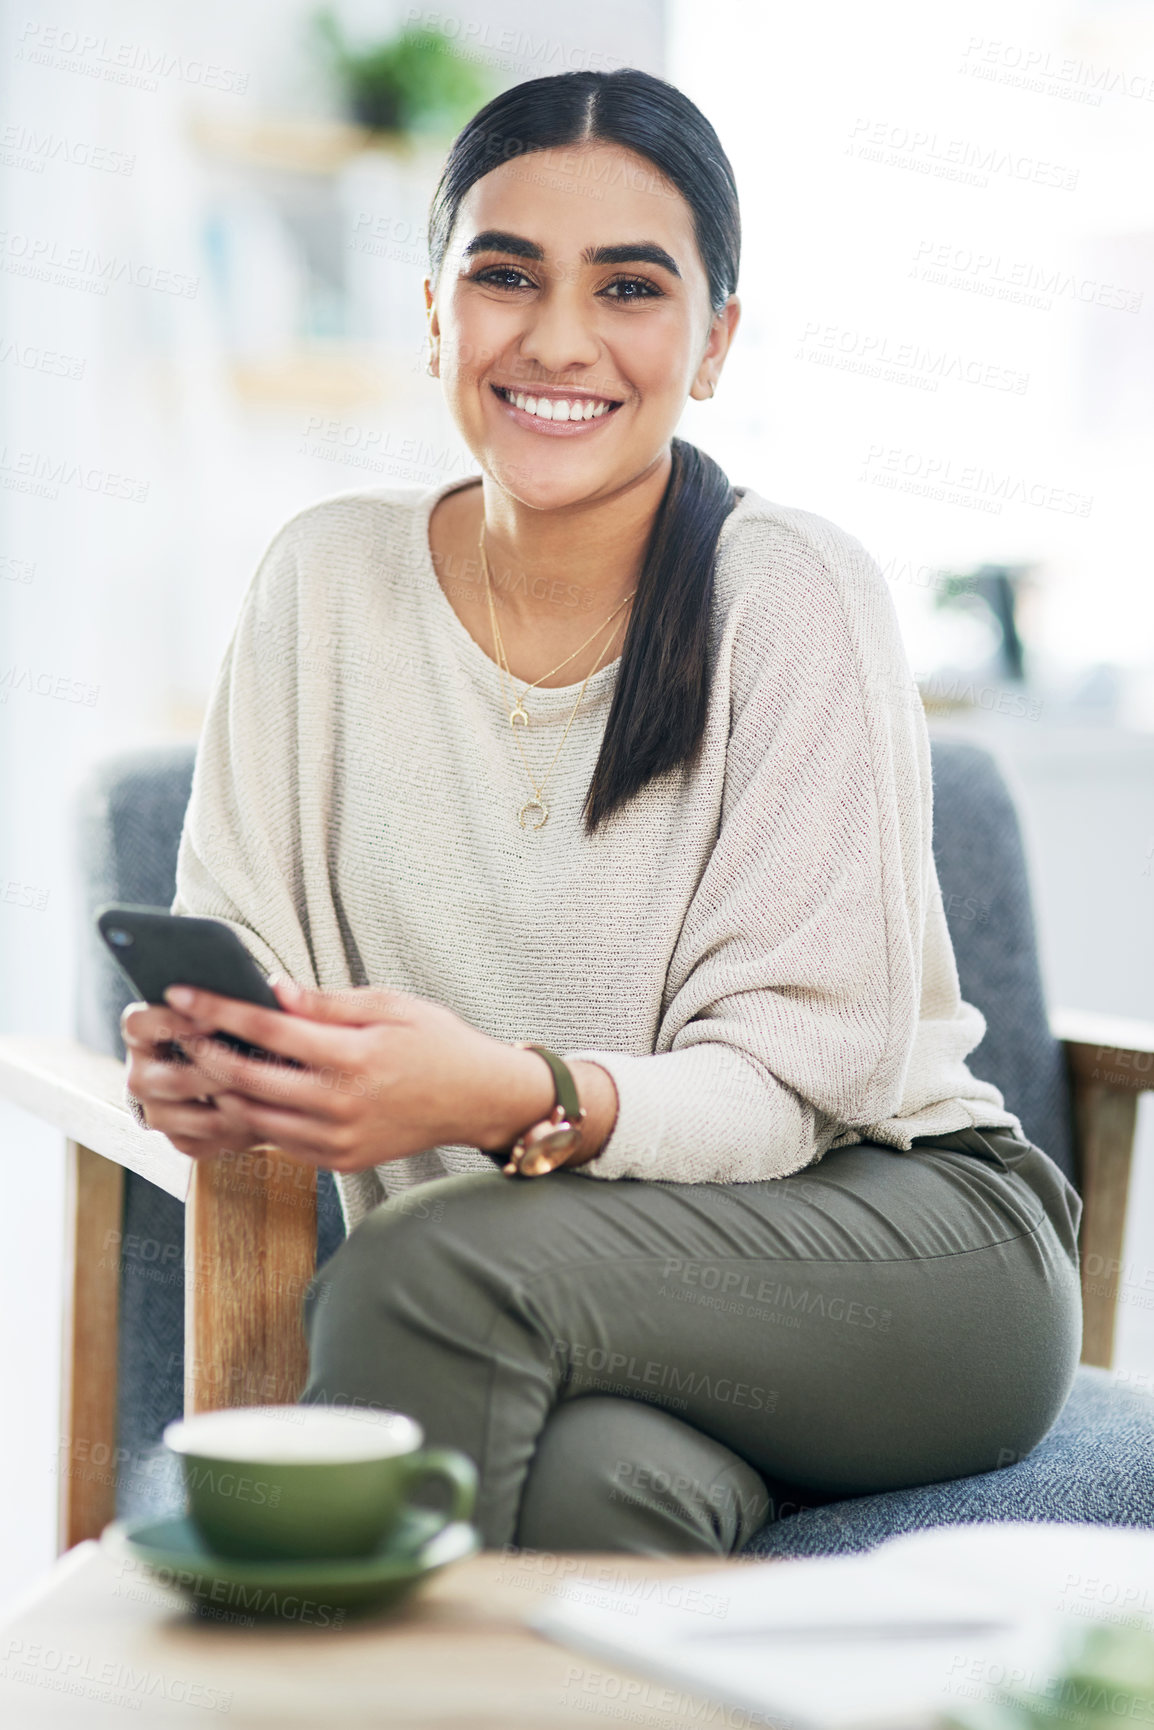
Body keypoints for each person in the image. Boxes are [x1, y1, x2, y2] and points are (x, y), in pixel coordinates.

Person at [123, 67, 1083, 1556]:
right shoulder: (320, 583)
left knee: (410, 1275)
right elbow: (246, 956)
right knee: (593, 1490)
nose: (557, 337)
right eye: (503, 276)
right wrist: (223, 1069)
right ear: (435, 312)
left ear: (712, 341)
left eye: (629, 286)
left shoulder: (793, 591)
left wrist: (504, 1092)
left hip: (910, 1245)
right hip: (566, 1294)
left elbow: (791, 1082)